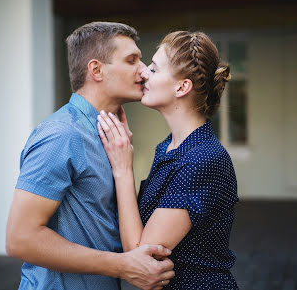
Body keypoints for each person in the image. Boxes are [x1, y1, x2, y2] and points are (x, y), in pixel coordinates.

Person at [6, 22, 175, 290]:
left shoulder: (112, 136)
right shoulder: (62, 135)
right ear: (96, 70)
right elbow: (20, 238)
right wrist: (123, 265)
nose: (143, 70)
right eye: (131, 60)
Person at [97, 31, 239, 289]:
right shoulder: (170, 147)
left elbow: (140, 256)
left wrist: (122, 170)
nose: (143, 74)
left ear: (182, 87)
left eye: (154, 68)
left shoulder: (202, 160)